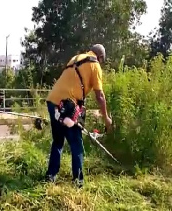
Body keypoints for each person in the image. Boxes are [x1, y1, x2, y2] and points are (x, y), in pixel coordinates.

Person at [45, 44, 112, 188]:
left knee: (58, 141)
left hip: (53, 101)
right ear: (100, 57)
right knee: (76, 144)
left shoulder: (76, 58)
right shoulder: (95, 65)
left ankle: (51, 177)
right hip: (68, 105)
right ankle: (78, 183)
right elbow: (99, 95)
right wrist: (106, 118)